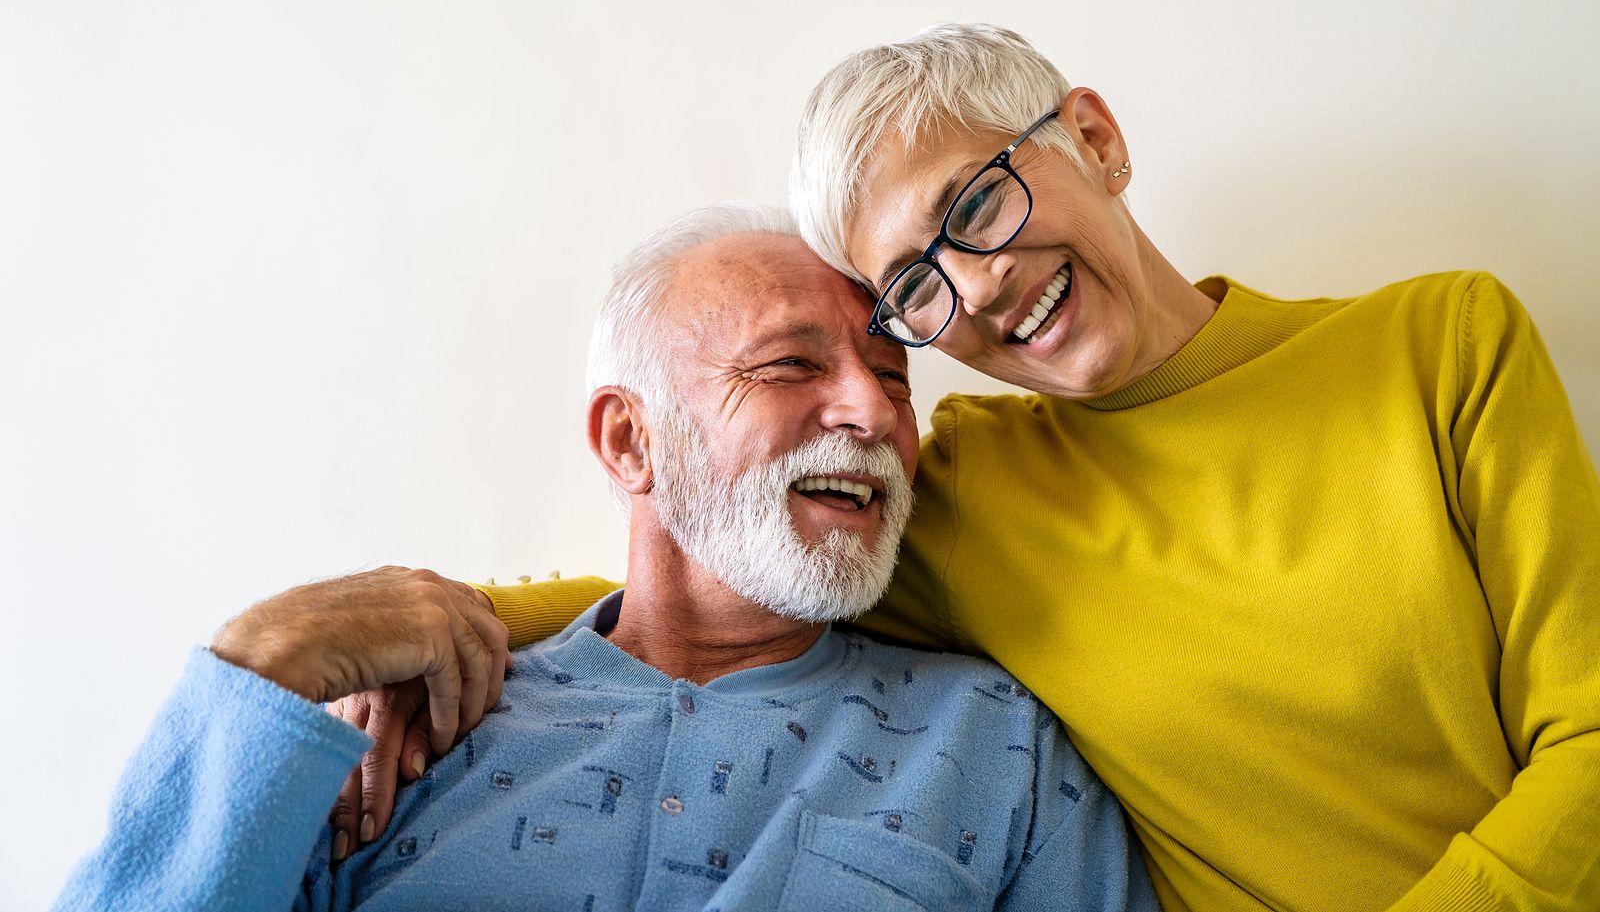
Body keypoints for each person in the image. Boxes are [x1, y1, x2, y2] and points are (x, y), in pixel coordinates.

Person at [342, 25, 1600, 911]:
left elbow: (1588, 733)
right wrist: (417, 627)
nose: (979, 283)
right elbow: (711, 568)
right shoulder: (956, 492)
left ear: (1095, 138)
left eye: (979, 202)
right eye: (915, 285)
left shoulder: (1436, 344)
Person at [53, 204, 1157, 912]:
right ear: (632, 440)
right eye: (788, 366)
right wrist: (267, 659)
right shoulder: (403, 732)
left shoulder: (996, 744)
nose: (873, 410)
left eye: (895, 375)